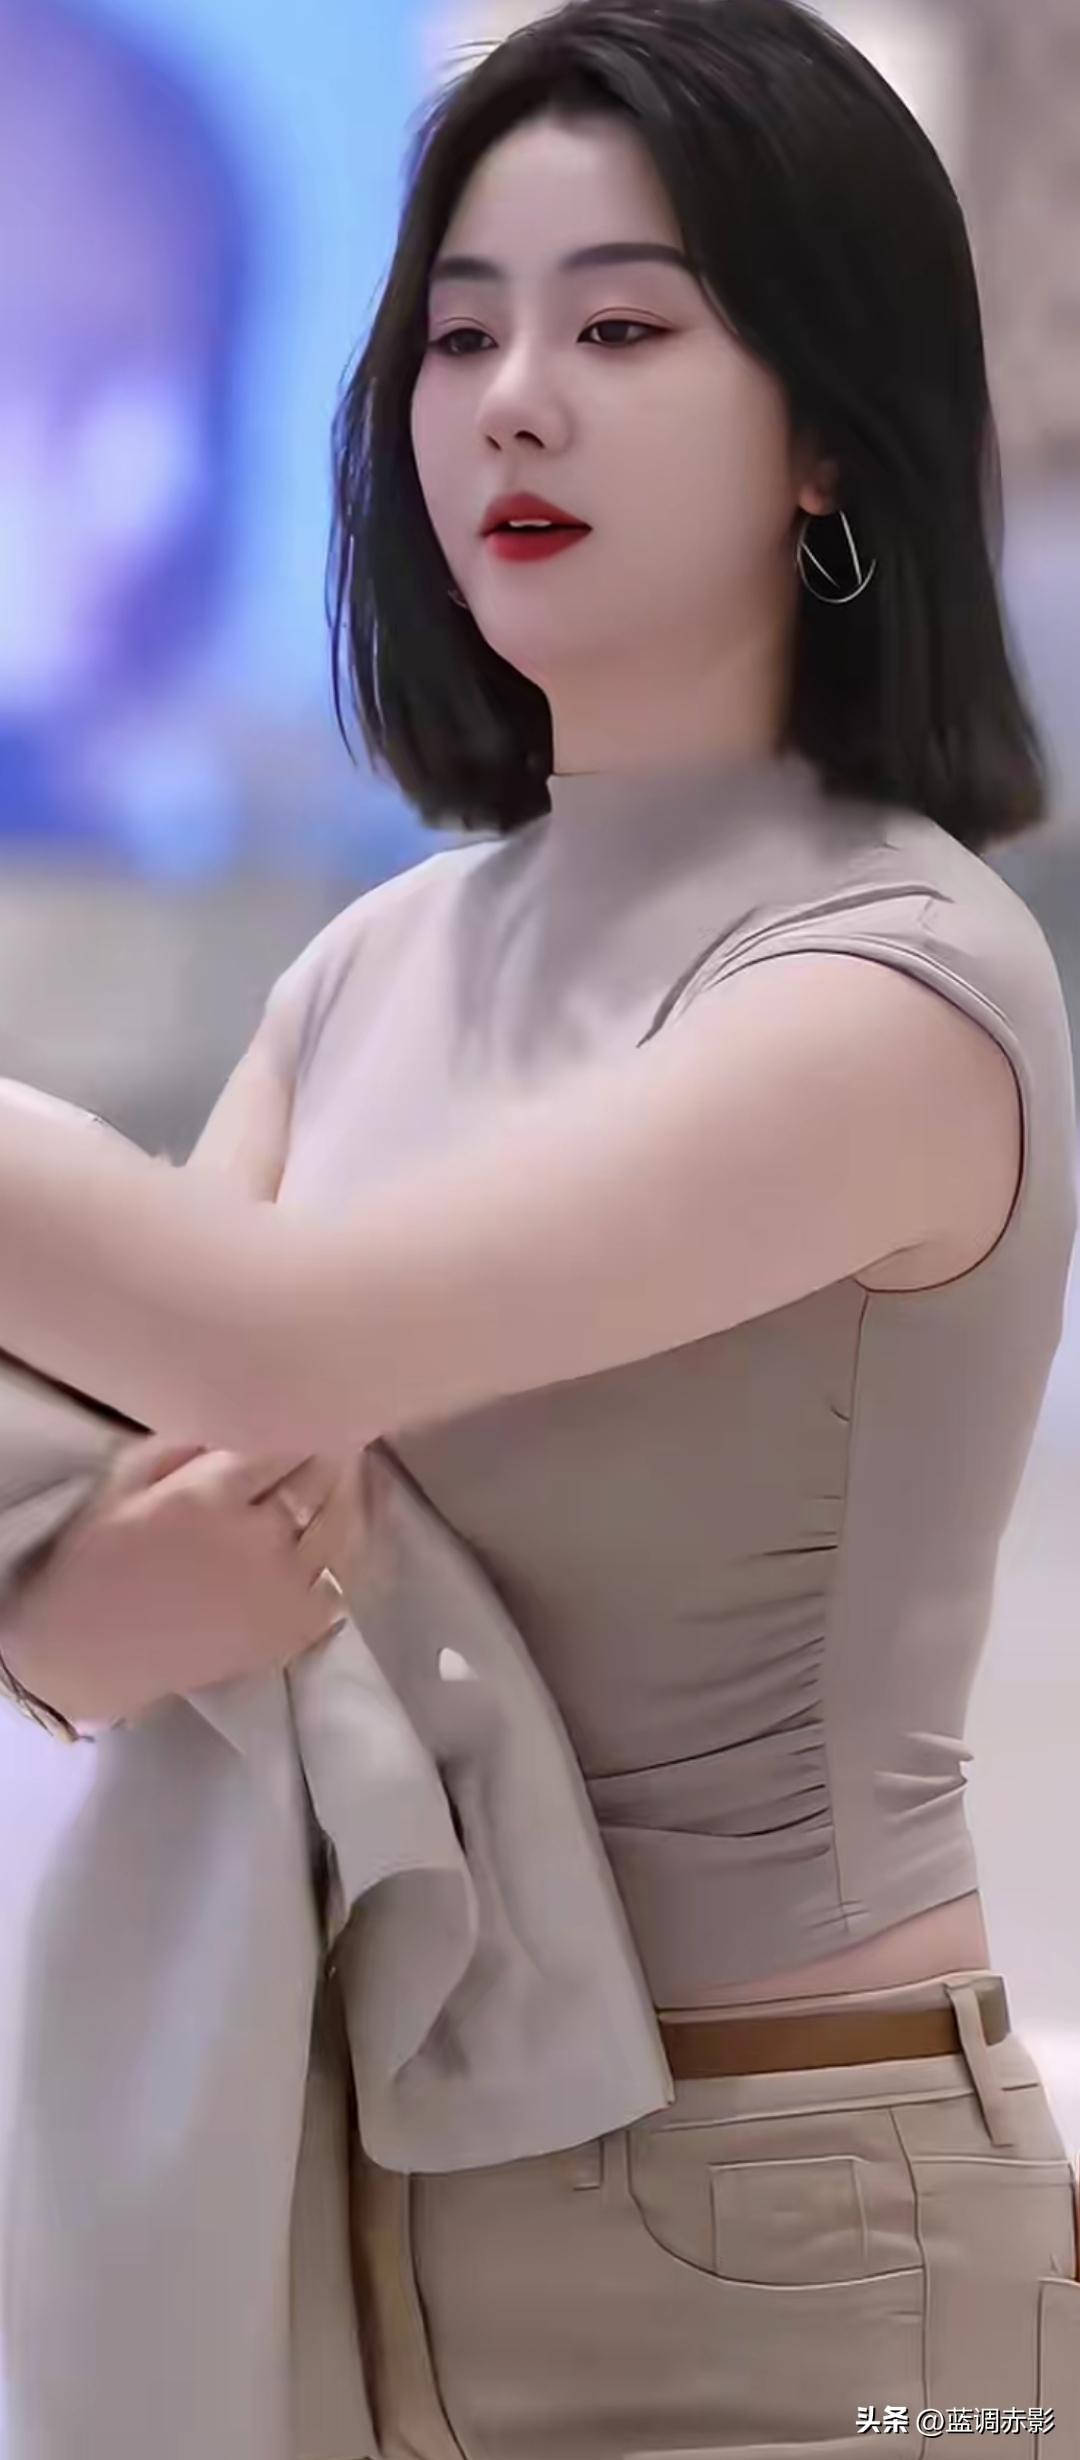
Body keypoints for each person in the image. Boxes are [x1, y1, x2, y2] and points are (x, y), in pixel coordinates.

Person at [1, 0, 1079, 2446]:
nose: (511, 403)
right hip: (367, 2199)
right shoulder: (368, 970)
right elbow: (115, 1474)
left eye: (620, 330)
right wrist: (70, 1622)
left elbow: (268, 1339)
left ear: (827, 432)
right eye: (461, 332)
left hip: (801, 2220)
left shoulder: (901, 980)